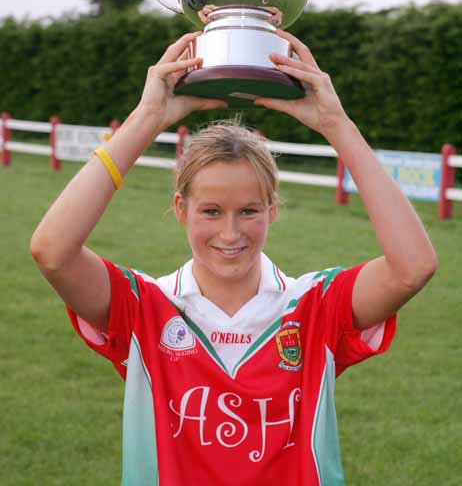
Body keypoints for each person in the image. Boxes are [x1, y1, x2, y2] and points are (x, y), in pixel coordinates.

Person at [30, 30, 437, 485]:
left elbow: (412, 267)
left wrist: (337, 126)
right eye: (210, 211)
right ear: (181, 209)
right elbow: (52, 253)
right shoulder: (144, 307)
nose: (230, 233)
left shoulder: (314, 305)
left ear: (273, 209)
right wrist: (147, 117)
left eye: (249, 211)